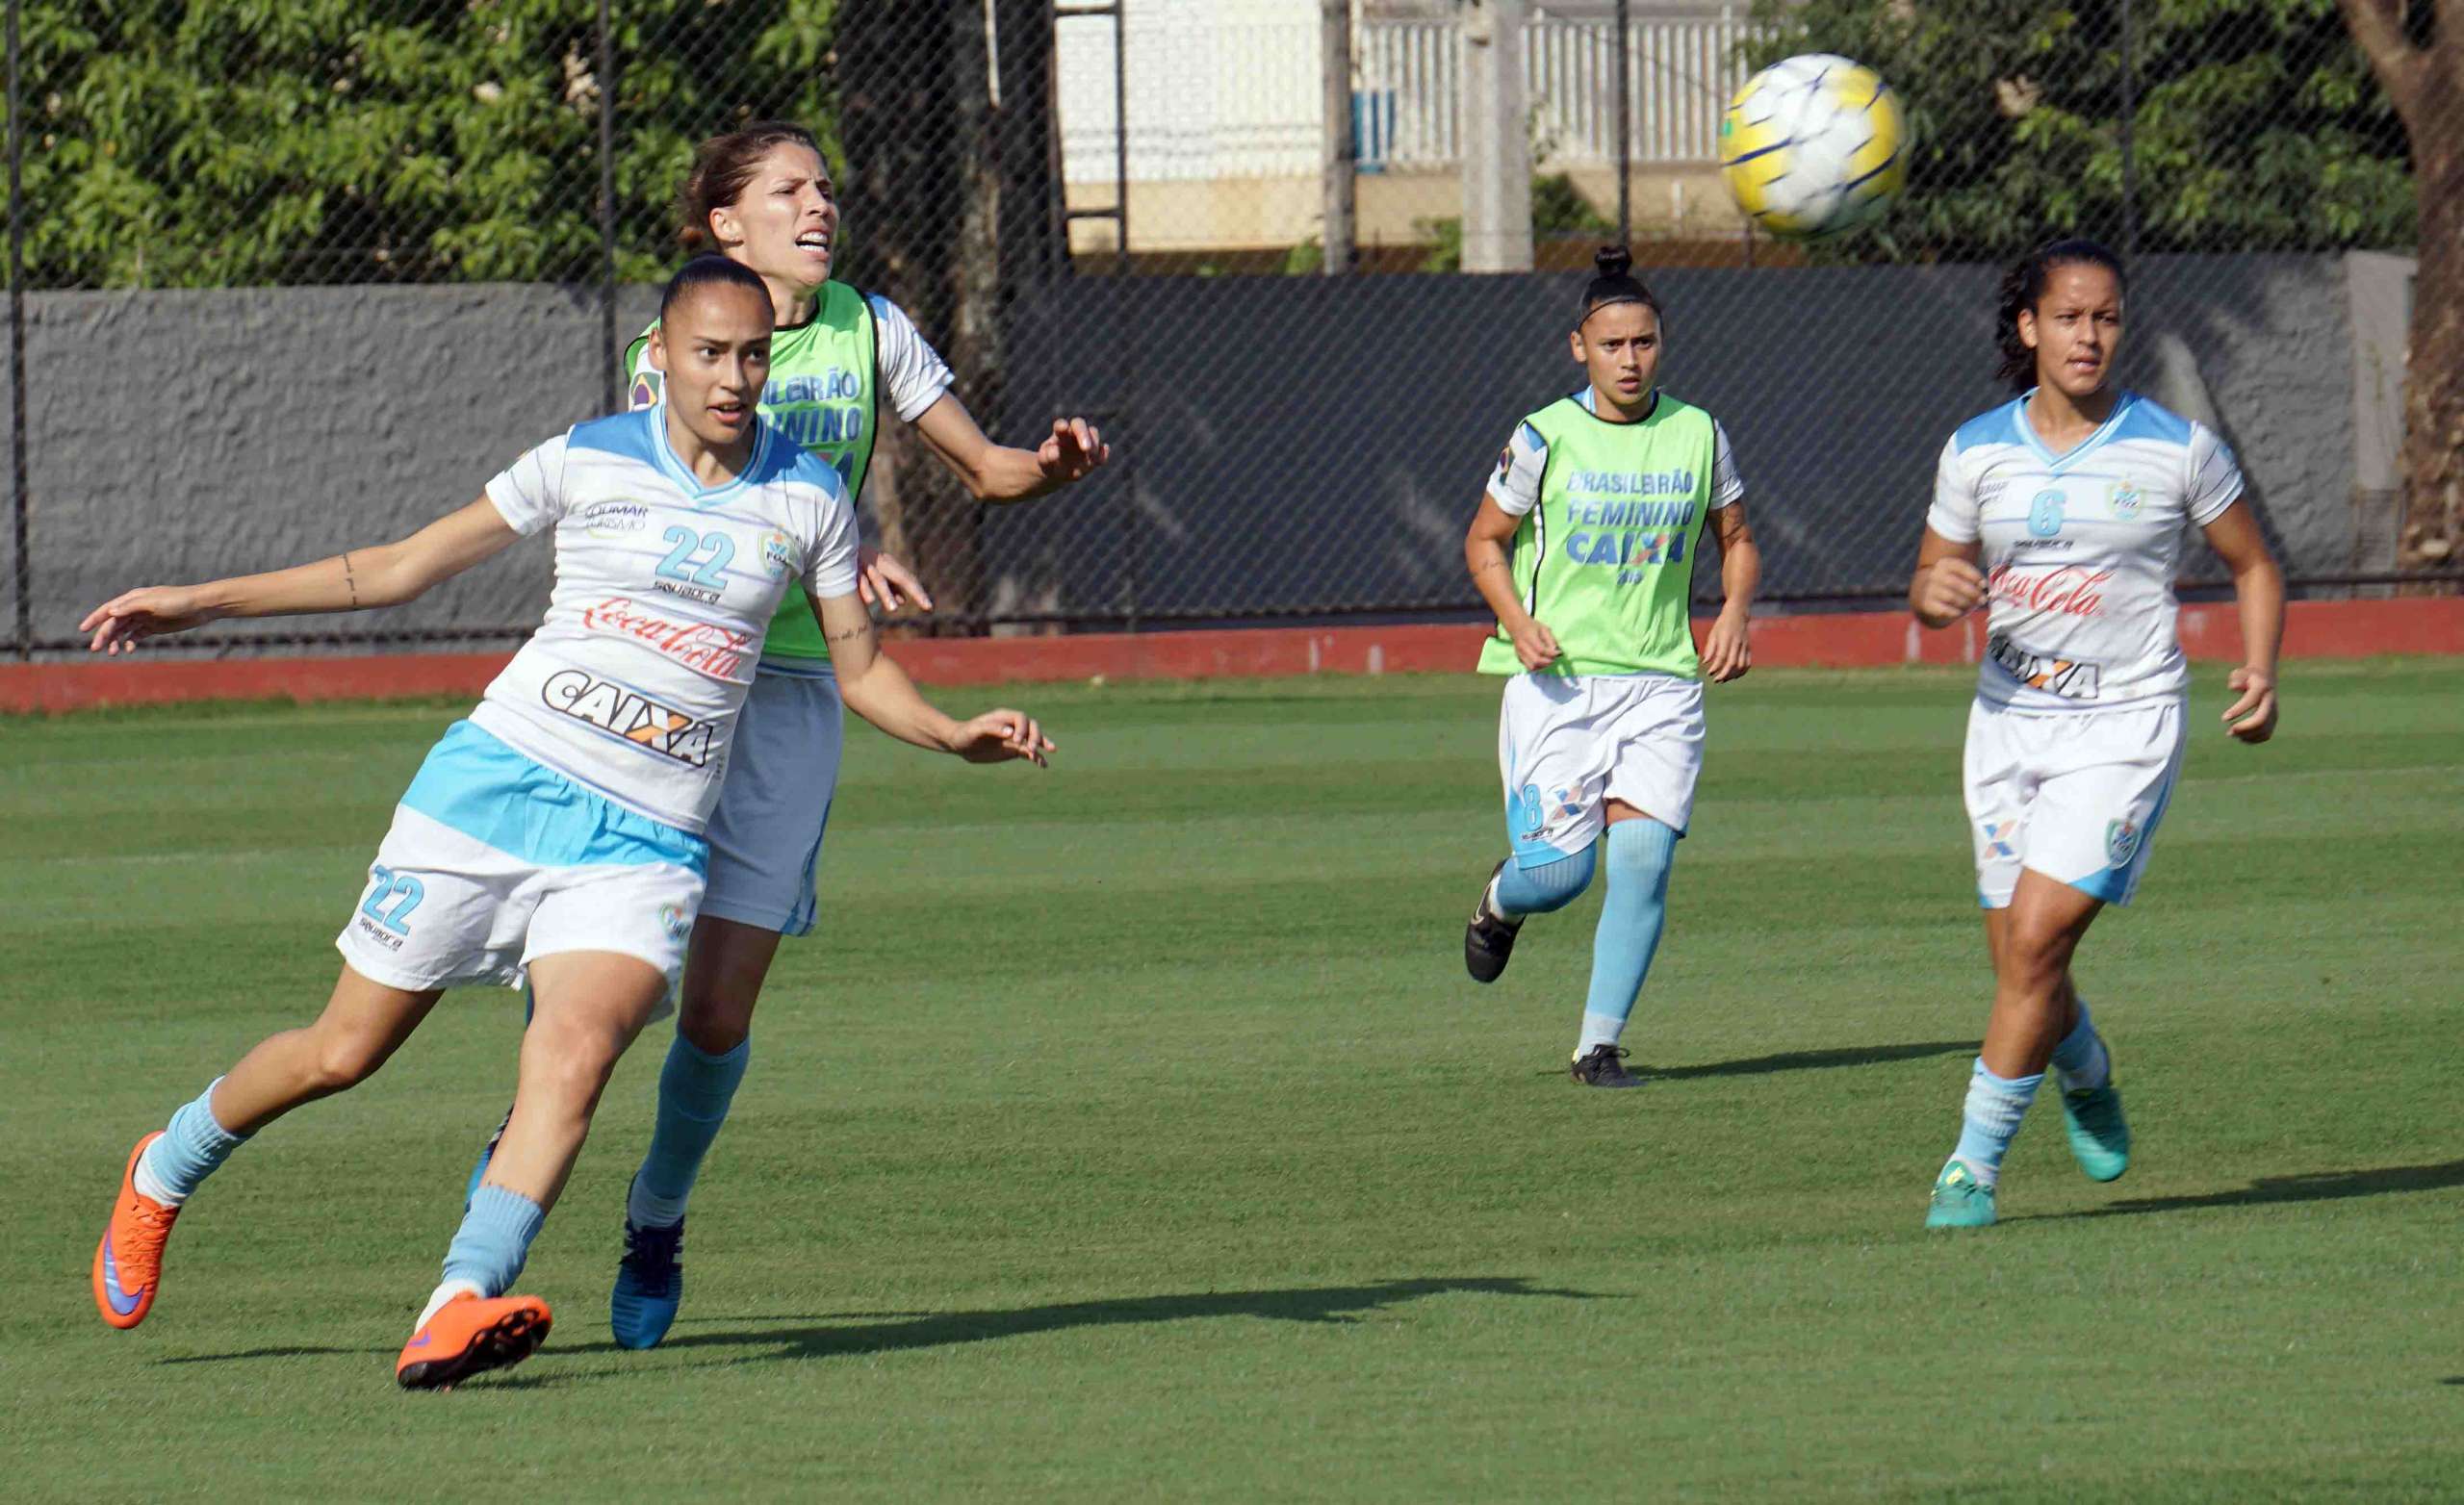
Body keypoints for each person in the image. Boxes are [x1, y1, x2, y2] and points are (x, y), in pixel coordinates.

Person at [83, 256, 1053, 1389]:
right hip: (497, 788)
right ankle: (168, 1163)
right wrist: (198, 602)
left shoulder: (808, 500)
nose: (734, 377)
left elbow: (860, 668)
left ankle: (457, 1300)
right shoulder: (586, 459)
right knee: (342, 1052)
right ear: (661, 356)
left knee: (577, 1054)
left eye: (753, 355)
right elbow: (398, 567)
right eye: (709, 353)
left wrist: (949, 733)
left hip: (646, 840)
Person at [461, 121, 1110, 1353]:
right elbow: (688, 484)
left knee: (714, 1012)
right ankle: (492, 1231)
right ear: (725, 224)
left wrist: (1051, 467)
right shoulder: (686, 342)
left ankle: (656, 1218)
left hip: (801, 697)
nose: (820, 204)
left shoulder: (872, 327)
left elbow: (985, 470)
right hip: (675, 690)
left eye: (824, 188)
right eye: (789, 190)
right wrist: (844, 552)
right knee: (603, 996)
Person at [1909, 237, 2283, 1229]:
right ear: (2027, 327)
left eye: (2106, 316)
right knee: (2020, 966)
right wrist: (1938, 593)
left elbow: (2252, 565)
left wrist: (2259, 668)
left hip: (2123, 725)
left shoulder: (2175, 447)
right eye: (2068, 316)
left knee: (2034, 943)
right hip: (2006, 726)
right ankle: (2083, 1067)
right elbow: (1931, 575)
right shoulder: (1976, 449)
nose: (2089, 335)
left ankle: (1969, 1168)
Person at [1458, 246, 1760, 1088]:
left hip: (1663, 684)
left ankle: (1598, 1046)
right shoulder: (1543, 436)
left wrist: (1733, 611)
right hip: (1561, 685)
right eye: (1613, 344)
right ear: (1578, 348)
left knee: (1643, 863)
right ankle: (1500, 900)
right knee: (1559, 875)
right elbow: (1485, 541)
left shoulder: (1698, 432)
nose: (1630, 360)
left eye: (1645, 343)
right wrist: (1516, 623)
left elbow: (1735, 539)